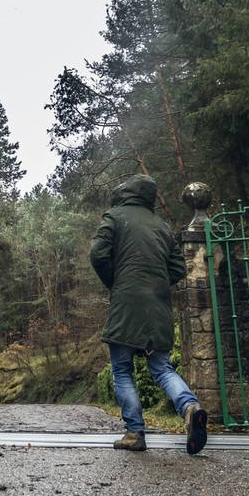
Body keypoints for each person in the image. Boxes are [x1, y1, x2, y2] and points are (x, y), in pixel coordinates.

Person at [89, 174, 208, 454]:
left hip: (125, 304)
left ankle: (135, 433)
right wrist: (154, 283)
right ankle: (190, 407)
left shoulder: (115, 217)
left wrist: (116, 282)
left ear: (126, 193)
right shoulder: (162, 226)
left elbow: (98, 254)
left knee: (121, 369)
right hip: (158, 306)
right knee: (162, 368)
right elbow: (178, 269)